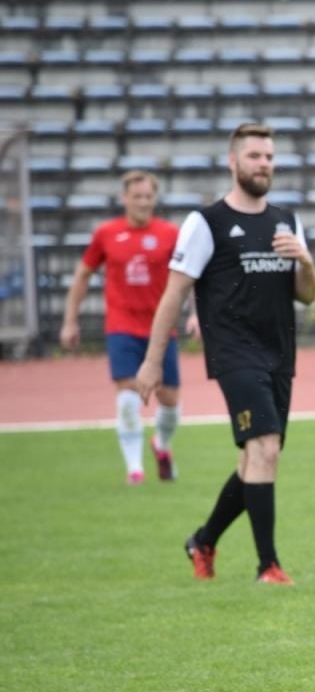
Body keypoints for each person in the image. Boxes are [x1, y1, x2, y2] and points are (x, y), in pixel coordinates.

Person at [135, 123, 315, 585]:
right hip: (234, 353)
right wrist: (153, 361)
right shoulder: (206, 222)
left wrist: (306, 260)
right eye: (255, 156)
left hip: (280, 353)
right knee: (264, 448)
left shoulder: (286, 219)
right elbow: (174, 294)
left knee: (257, 458)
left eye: (270, 157)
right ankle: (268, 566)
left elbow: (310, 296)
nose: (264, 164)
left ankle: (203, 540)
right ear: (232, 161)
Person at [59, 170, 185, 484]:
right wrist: (70, 320)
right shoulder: (107, 234)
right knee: (128, 397)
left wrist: (196, 313)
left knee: (169, 400)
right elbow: (83, 275)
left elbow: (188, 278)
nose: (143, 202)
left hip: (161, 328)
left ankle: (162, 444)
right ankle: (135, 469)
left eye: (148, 196)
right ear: (124, 198)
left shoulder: (170, 233)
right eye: (137, 196)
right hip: (122, 327)